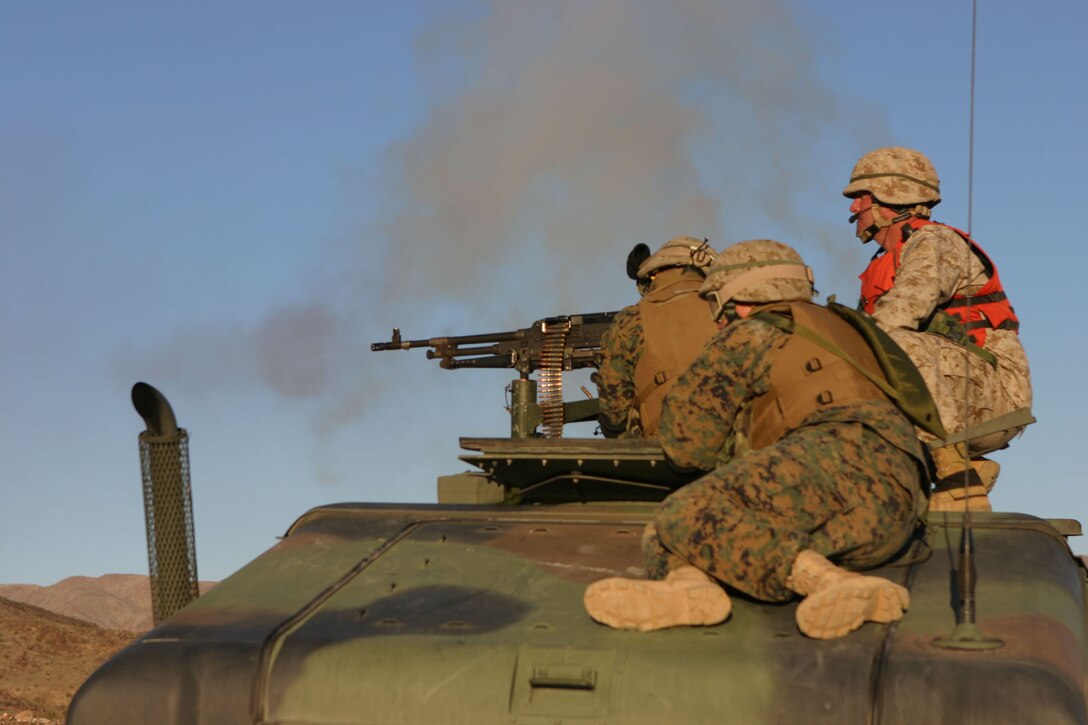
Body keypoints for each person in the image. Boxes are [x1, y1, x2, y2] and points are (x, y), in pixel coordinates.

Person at [583, 240, 928, 640]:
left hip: (837, 461)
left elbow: (686, 445)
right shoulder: (846, 326)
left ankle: (833, 585)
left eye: (717, 304)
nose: (716, 320)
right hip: (896, 501)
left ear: (739, 297)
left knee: (680, 513)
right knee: (675, 535)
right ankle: (690, 592)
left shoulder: (754, 333)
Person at [843, 147, 1033, 510]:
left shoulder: (935, 242)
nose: (854, 209)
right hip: (956, 388)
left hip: (996, 394)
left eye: (861, 199)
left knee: (892, 344)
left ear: (890, 200)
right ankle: (957, 472)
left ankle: (956, 477)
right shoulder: (886, 260)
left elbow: (903, 311)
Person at [596, 236, 719, 438]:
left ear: (655, 272)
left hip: (665, 455)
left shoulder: (631, 319)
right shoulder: (732, 313)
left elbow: (615, 417)